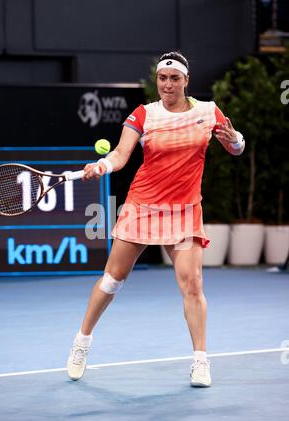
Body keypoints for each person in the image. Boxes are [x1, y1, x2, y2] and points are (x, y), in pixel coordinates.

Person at [67, 51, 245, 387]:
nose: (167, 84)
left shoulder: (208, 112)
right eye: (162, 78)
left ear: (186, 81)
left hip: (185, 209)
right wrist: (101, 166)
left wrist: (236, 141)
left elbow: (235, 147)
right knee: (112, 279)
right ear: (157, 81)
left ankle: (200, 361)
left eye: (174, 78)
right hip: (142, 206)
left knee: (192, 284)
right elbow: (120, 155)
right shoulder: (143, 115)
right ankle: (82, 341)